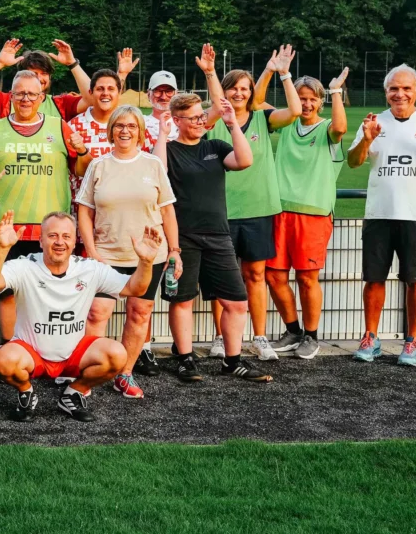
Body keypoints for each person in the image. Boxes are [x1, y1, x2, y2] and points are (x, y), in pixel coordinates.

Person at [0, 212, 161, 423]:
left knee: (116, 355)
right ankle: (26, 392)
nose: (60, 242)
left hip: (74, 354)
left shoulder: (89, 269)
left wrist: (146, 262)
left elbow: (135, 287)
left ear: (75, 242)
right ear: (40, 240)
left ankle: (74, 392)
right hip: (32, 353)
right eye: (53, 235)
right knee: (4, 361)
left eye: (66, 236)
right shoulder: (25, 266)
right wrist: (2, 248)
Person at [0, 70, 84, 348]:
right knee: (7, 293)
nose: (25, 99)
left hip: (50, 231)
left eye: (32, 94)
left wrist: (83, 152)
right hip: (5, 228)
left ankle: (47, 350)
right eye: (19, 94)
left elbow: (78, 169)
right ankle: (11, 350)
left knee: (49, 293)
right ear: (10, 97)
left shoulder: (59, 126)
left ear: (42, 97)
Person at [346, 65, 416, 367]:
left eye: (406, 88)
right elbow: (354, 162)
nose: (400, 94)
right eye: (394, 88)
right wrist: (367, 139)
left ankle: (412, 342)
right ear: (386, 92)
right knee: (373, 279)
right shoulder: (373, 122)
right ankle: (371, 337)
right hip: (379, 213)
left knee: (415, 279)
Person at [159, 83, 270, 383]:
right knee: (183, 300)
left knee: (237, 301)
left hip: (219, 235)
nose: (198, 122)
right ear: (177, 120)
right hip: (182, 238)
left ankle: (233, 362)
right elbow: (157, 170)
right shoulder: (169, 149)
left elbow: (244, 160)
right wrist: (161, 132)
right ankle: (185, 360)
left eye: (200, 117)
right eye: (192, 118)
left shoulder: (215, 147)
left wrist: (233, 125)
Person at [202, 44, 301, 361]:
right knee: (221, 278)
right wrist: (211, 71)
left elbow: (296, 112)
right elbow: (217, 100)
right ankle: (221, 337)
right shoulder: (215, 119)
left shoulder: (263, 118)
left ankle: (259, 337)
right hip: (222, 211)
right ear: (226, 91)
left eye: (246, 89)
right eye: (234, 88)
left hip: (259, 210)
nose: (240, 93)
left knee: (256, 276)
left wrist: (282, 73)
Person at [74, 105, 179, 399]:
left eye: (131, 126)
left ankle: (125, 374)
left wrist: (175, 250)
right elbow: (84, 211)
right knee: (97, 313)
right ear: (111, 131)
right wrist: (92, 251)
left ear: (141, 132)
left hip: (148, 257)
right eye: (119, 125)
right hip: (106, 255)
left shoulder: (153, 165)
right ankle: (89, 373)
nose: (124, 131)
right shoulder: (98, 165)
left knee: (139, 313)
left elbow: (167, 210)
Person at [263, 70, 350, 360]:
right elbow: (257, 103)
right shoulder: (287, 124)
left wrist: (336, 90)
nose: (307, 104)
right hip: (279, 211)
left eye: (313, 99)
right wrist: (276, 72)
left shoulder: (327, 129)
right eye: (302, 98)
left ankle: (312, 337)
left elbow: (341, 128)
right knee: (274, 275)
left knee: (306, 278)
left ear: (321, 103)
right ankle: (293, 331)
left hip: (312, 214)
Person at [67, 60, 159, 197]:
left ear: (119, 92)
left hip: (126, 205)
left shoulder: (134, 125)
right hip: (85, 208)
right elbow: (73, 170)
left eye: (111, 89)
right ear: (90, 92)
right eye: (100, 89)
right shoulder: (74, 127)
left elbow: (150, 164)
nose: (105, 93)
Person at [0, 40, 88, 122]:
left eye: (44, 73)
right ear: (20, 76)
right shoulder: (5, 102)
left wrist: (72, 64)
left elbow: (93, 99)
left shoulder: (62, 104)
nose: (39, 78)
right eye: (33, 74)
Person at [145, 71, 179, 144]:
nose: (163, 97)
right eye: (157, 91)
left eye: (169, 91)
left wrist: (209, 73)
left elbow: (209, 116)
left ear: (176, 94)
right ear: (148, 94)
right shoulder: (140, 122)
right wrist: (122, 74)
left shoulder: (185, 122)